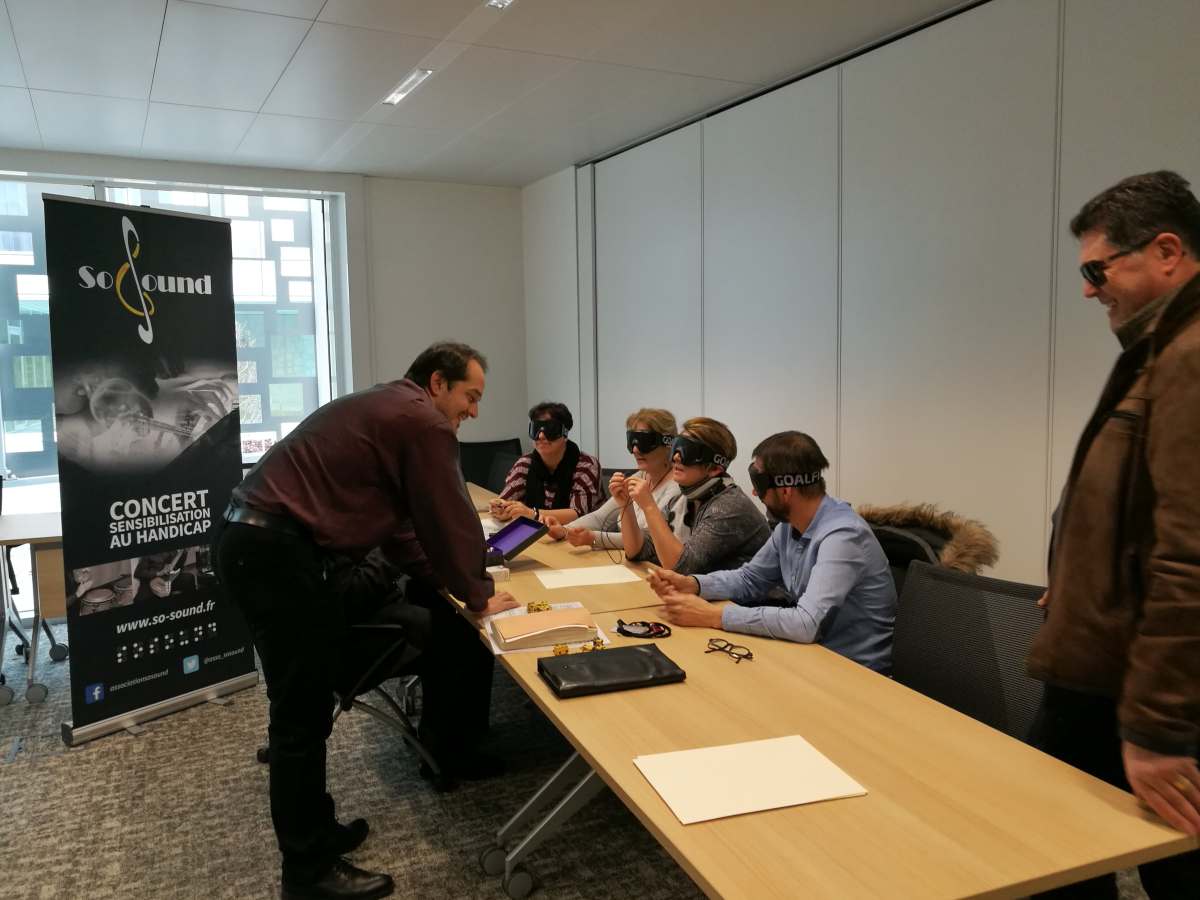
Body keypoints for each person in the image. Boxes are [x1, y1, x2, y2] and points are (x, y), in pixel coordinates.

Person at [211, 341, 518, 900]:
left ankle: (319, 830)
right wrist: (476, 593)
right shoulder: (424, 422)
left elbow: (402, 535)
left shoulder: (388, 410)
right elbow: (448, 518)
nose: (474, 411)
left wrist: (454, 584)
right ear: (437, 383)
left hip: (255, 544)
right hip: (277, 553)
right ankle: (307, 874)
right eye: (470, 396)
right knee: (300, 717)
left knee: (304, 705)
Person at [1026, 170, 1200, 899]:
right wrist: (1077, 584)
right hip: (1114, 669)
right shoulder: (1161, 350)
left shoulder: (1189, 357)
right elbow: (1133, 516)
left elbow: (1190, 558)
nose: (1089, 290)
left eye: (1098, 270)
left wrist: (1160, 730)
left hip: (1145, 688)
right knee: (1059, 848)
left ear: (1167, 251)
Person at [647, 431, 896, 672]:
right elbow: (751, 578)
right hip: (813, 658)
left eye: (759, 483)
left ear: (786, 490)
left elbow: (806, 623)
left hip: (855, 674)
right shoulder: (790, 526)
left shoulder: (843, 537)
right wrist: (694, 584)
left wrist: (714, 615)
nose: (754, 492)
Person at [625, 416, 769, 575]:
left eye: (688, 450)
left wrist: (649, 506)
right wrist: (625, 504)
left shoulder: (728, 506)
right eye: (676, 447)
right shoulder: (684, 498)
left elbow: (681, 568)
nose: (676, 457)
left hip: (750, 592)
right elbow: (637, 550)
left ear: (715, 469)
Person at [544, 408, 681, 550]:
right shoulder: (640, 477)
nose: (635, 450)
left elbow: (649, 540)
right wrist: (564, 530)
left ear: (668, 443)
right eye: (632, 441)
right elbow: (600, 518)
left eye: (644, 442)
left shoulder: (677, 488)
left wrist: (594, 538)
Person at [490, 402, 601, 524]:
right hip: (538, 532)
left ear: (565, 434)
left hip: (581, 532)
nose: (541, 436)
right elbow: (505, 500)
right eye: (536, 429)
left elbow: (578, 514)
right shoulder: (525, 464)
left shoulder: (586, 465)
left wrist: (533, 514)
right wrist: (501, 508)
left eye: (551, 429)